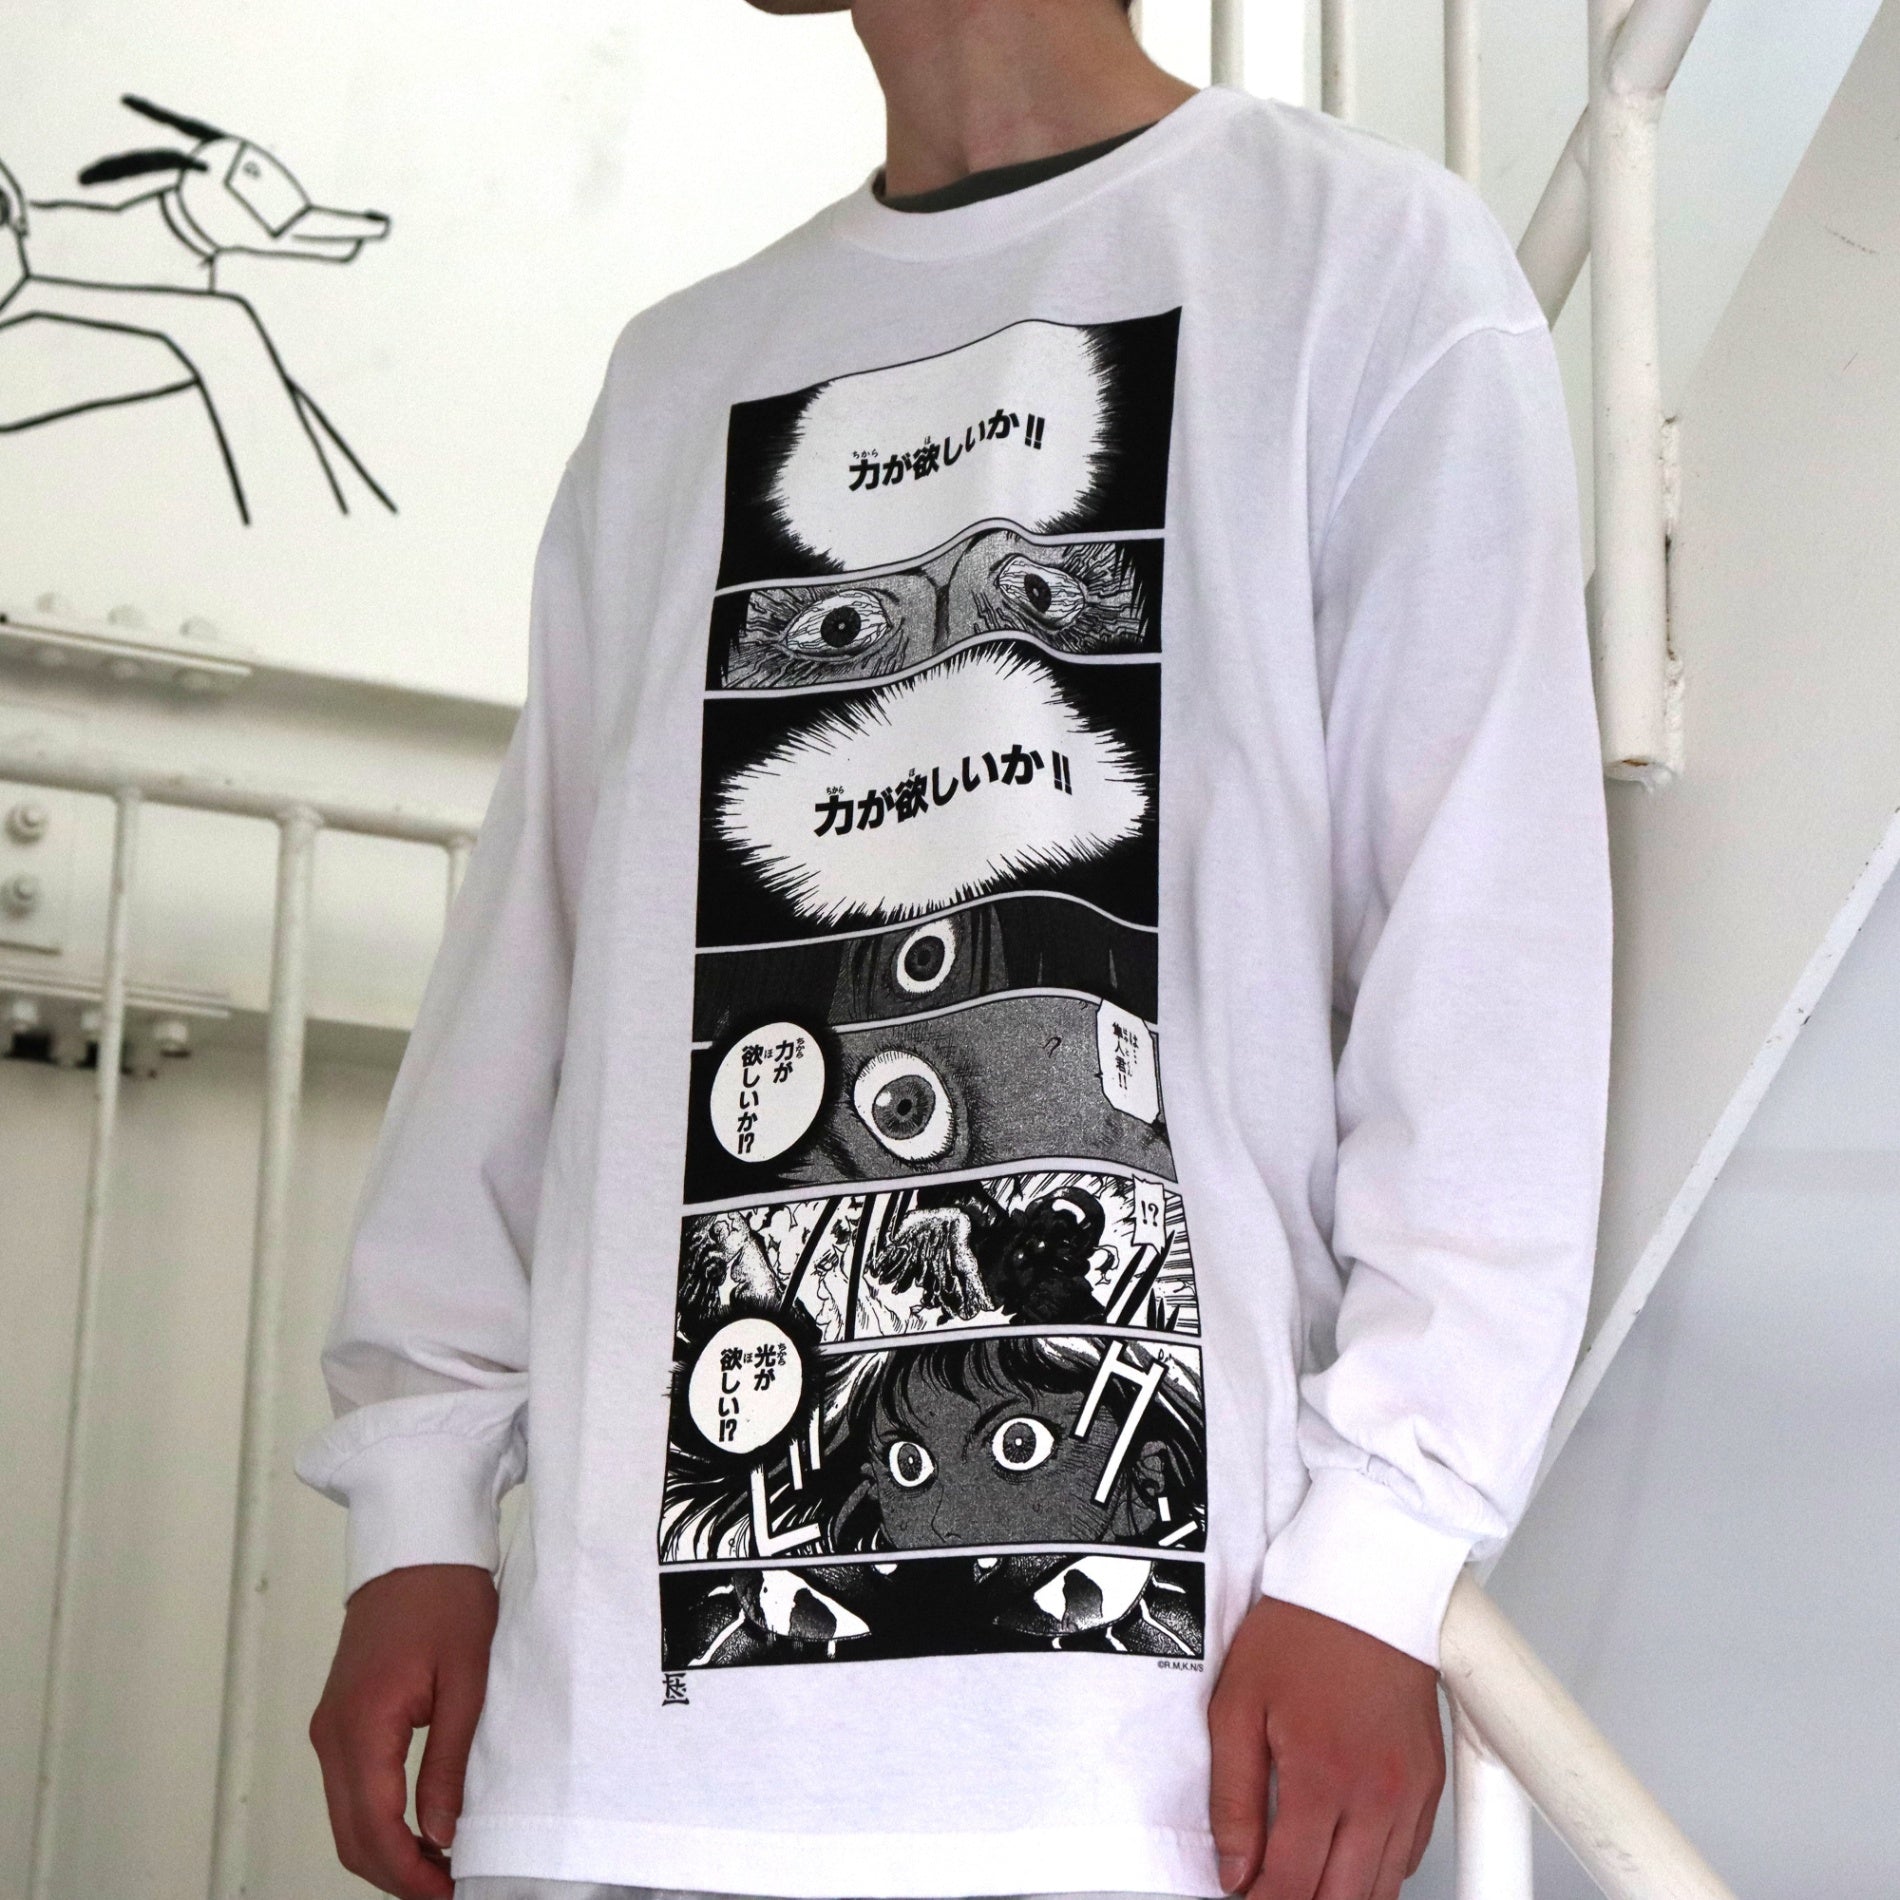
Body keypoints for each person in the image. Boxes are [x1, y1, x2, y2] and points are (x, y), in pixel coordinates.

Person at [298, 4, 1612, 1900]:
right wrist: (418, 1497)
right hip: (630, 1742)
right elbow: (532, 972)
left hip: (1134, 1752)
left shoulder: (1356, 260)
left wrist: (1382, 1551)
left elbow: (1484, 947)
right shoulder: (681, 376)